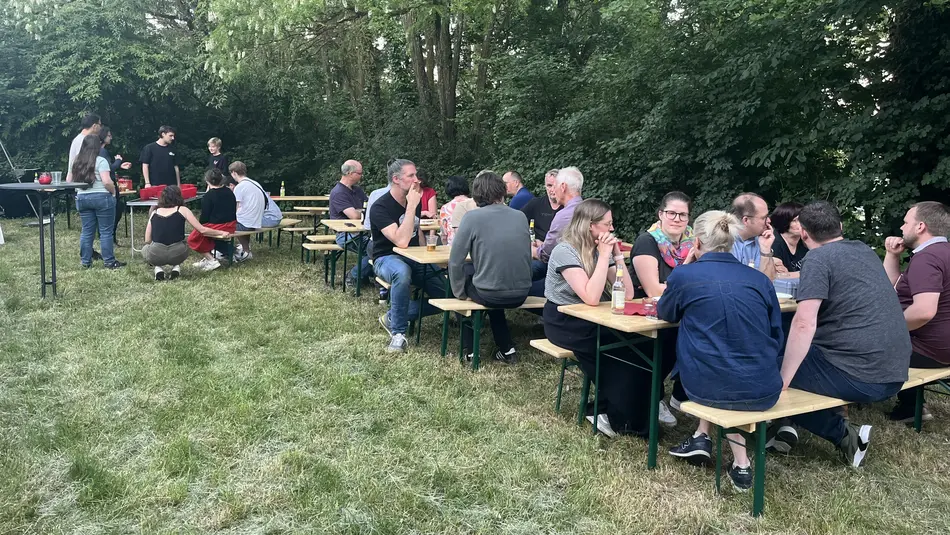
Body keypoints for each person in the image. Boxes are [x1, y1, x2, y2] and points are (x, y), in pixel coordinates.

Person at [779, 201, 911, 467]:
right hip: (897, 370)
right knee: (789, 351)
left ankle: (845, 436)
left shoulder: (817, 258)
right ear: (840, 227)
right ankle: (780, 428)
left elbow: (804, 324)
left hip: (862, 376)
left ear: (804, 234)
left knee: (765, 371)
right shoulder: (862, 249)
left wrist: (781, 380)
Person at [660, 211, 784, 491]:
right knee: (721, 351)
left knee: (712, 360)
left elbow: (665, 313)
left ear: (697, 242)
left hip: (705, 384)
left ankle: (741, 464)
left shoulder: (684, 275)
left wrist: (687, 267)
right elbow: (776, 333)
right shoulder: (759, 280)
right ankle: (701, 436)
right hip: (764, 384)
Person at [543, 199, 642, 437]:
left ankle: (637, 407)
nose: (611, 229)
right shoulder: (564, 251)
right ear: (590, 225)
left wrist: (617, 257)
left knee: (639, 345)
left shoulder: (601, 251)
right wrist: (604, 255)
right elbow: (591, 297)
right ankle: (610, 411)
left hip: (594, 318)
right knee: (613, 351)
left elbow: (628, 293)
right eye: (607, 224)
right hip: (564, 319)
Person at [449, 172, 531, 363]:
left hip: (491, 292)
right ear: (502, 192)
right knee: (493, 292)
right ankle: (507, 349)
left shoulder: (471, 218)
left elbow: (455, 261)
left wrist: (460, 293)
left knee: (469, 275)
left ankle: (469, 350)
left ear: (477, 194)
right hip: (521, 292)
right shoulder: (520, 216)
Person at [630, 191, 696, 426]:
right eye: (671, 213)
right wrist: (687, 267)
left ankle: (683, 394)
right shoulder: (647, 241)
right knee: (671, 338)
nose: (677, 219)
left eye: (683, 215)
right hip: (646, 315)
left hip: (678, 310)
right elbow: (653, 290)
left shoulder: (692, 242)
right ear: (661, 214)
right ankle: (653, 397)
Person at [370, 159, 448, 352]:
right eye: (411, 176)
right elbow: (401, 241)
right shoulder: (380, 207)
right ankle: (398, 334)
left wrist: (430, 258)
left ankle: (393, 316)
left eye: (416, 175)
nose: (417, 180)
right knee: (402, 273)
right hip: (386, 258)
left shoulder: (414, 203)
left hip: (414, 257)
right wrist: (411, 206)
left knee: (448, 296)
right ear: (396, 179)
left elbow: (417, 234)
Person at [883, 201, 950, 423]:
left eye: (905, 222)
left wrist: (889, 329)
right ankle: (911, 404)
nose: (902, 228)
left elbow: (923, 311)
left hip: (933, 350)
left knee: (853, 341)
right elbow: (889, 291)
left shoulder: (928, 258)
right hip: (941, 345)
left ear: (920, 226)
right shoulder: (941, 253)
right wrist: (892, 255)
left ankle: (910, 407)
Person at [144, 186, 230, 280]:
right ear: (179, 196)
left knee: (145, 249)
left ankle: (158, 268)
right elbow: (202, 230)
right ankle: (176, 267)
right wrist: (221, 232)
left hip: (157, 253)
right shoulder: (183, 210)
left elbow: (147, 239)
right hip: (178, 252)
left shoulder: (154, 212)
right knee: (182, 244)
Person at [67, 134, 124, 269]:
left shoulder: (76, 162)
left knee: (87, 231)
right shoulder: (101, 161)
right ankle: (109, 261)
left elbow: (69, 181)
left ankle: (85, 262)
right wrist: (113, 192)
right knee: (105, 231)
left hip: (82, 198)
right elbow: (106, 181)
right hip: (102, 198)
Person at [330, 159, 371, 285]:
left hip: (361, 232)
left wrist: (361, 212)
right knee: (376, 251)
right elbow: (354, 216)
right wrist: (362, 212)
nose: (361, 176)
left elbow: (370, 207)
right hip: (345, 234)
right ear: (349, 173)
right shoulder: (338, 192)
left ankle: (362, 275)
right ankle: (353, 276)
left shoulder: (357, 190)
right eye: (359, 173)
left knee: (379, 249)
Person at [188, 169, 237, 271]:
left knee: (193, 238)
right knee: (205, 235)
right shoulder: (229, 191)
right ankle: (217, 255)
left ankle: (211, 260)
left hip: (218, 226)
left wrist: (200, 226)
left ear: (207, 181)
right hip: (232, 225)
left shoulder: (208, 195)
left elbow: (204, 218)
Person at [521, 169, 561, 281]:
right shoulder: (535, 204)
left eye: (555, 185)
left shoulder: (568, 208)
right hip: (535, 255)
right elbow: (516, 221)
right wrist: (526, 240)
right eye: (549, 185)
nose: (552, 189)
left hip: (557, 257)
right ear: (544, 186)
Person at [729, 193, 781, 279]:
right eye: (764, 217)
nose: (769, 220)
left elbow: (768, 282)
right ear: (746, 220)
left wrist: (766, 249)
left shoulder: (759, 240)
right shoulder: (722, 241)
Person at [99, 127, 133, 245]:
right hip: (108, 187)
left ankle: (110, 237)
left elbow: (107, 167)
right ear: (103, 137)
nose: (111, 137)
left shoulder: (98, 151)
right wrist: (118, 161)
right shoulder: (102, 151)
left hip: (103, 187)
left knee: (117, 208)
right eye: (109, 135)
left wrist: (120, 165)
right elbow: (109, 169)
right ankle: (110, 237)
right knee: (116, 210)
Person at [229, 161, 269, 262]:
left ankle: (246, 251)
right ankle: (245, 248)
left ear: (234, 173)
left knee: (228, 225)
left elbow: (235, 207)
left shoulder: (240, 187)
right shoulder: (254, 183)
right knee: (242, 220)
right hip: (257, 221)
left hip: (247, 222)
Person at [770, 202, 808, 272]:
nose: (801, 224)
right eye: (795, 220)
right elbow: (779, 276)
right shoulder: (775, 243)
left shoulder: (807, 239)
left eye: (803, 219)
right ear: (784, 222)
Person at [66, 113, 101, 183]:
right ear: (94, 126)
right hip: (82, 184)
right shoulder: (83, 140)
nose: (101, 128)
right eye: (100, 125)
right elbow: (83, 163)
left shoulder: (80, 138)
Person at [438, 175, 473, 246]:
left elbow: (444, 235)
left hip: (454, 248)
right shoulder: (476, 204)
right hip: (475, 248)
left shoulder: (445, 208)